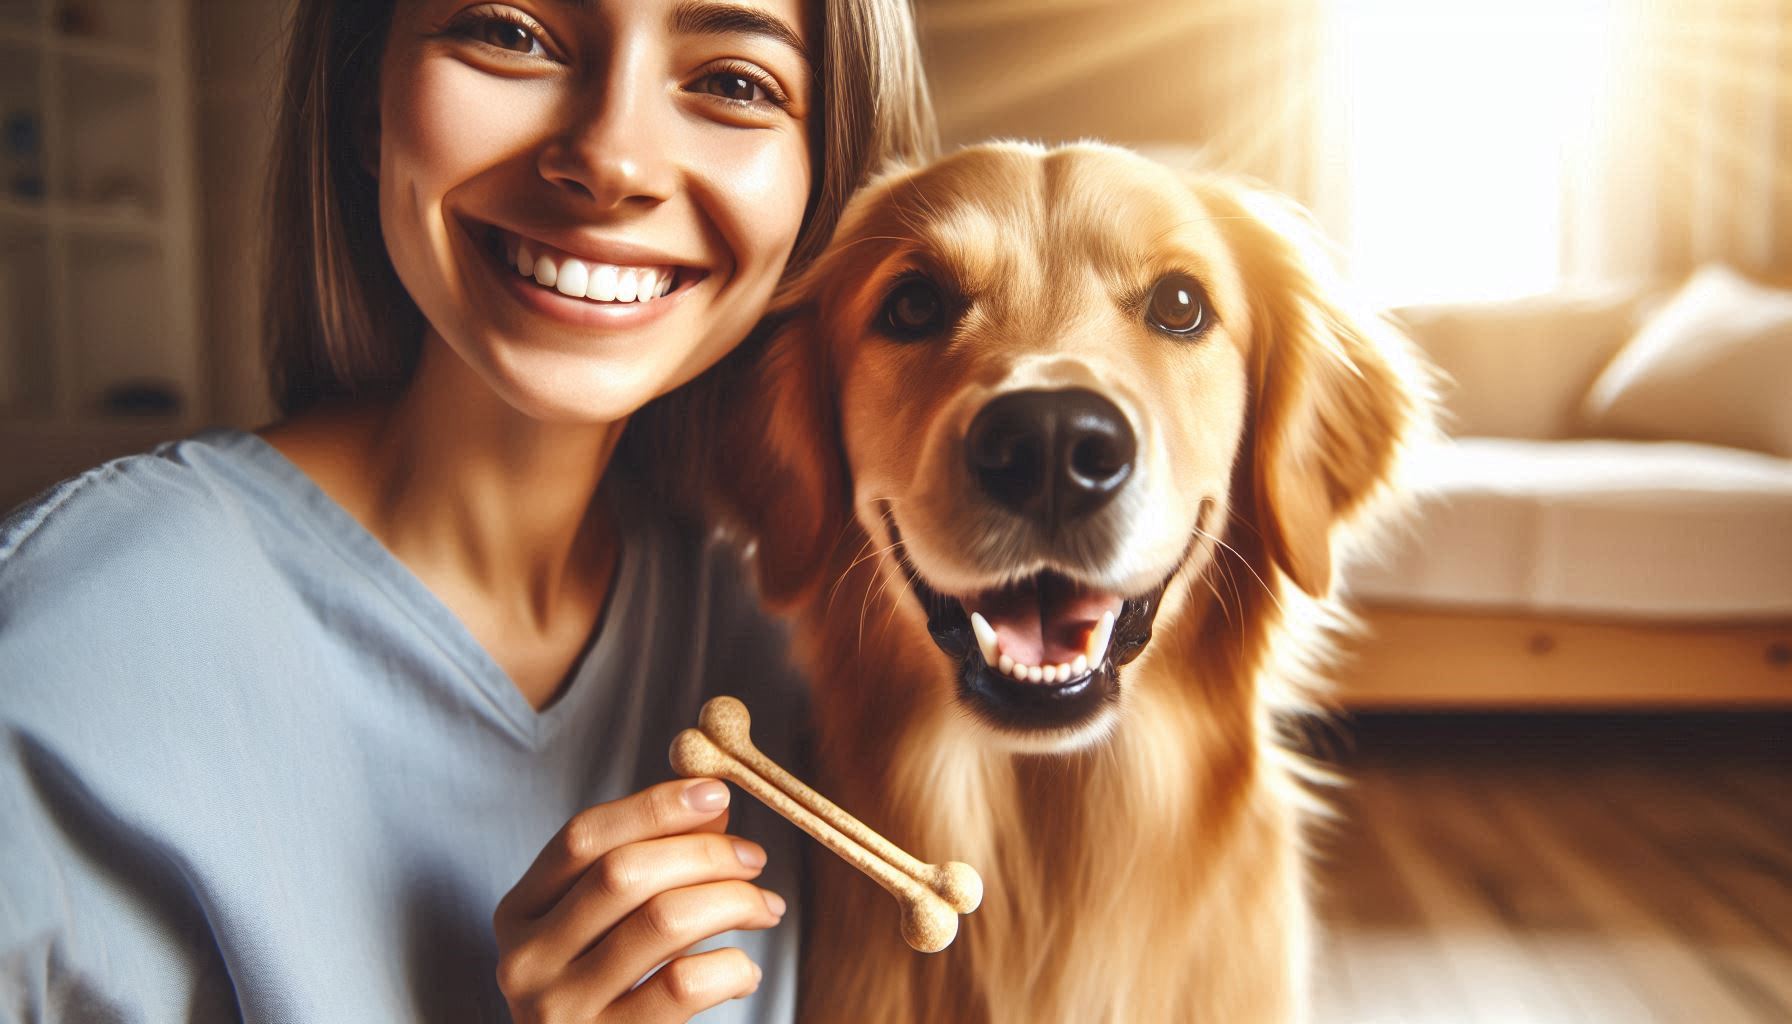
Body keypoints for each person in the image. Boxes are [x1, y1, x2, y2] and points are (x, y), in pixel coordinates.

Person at [0, 1, 933, 1019]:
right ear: (368, 99)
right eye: (512, 33)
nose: (612, 158)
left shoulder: (801, 633)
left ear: (821, 182)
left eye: (735, 84)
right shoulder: (70, 648)